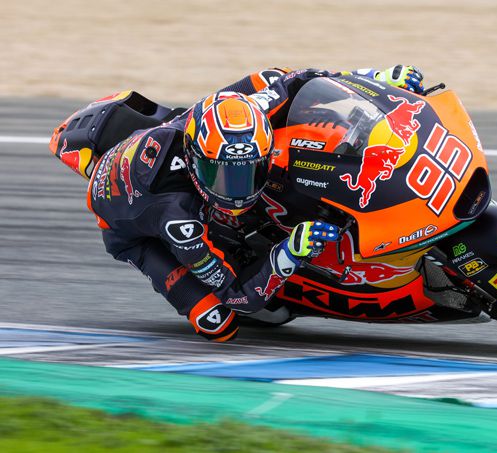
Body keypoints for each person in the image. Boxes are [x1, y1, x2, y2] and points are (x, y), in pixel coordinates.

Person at [55, 65, 424, 342]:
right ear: (196, 160)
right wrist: (289, 252)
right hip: (132, 231)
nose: (237, 190)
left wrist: (377, 77)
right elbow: (238, 297)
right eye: (223, 176)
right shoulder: (178, 220)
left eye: (249, 171)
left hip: (169, 135)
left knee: (276, 86)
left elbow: (303, 79)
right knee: (219, 323)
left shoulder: (244, 110)